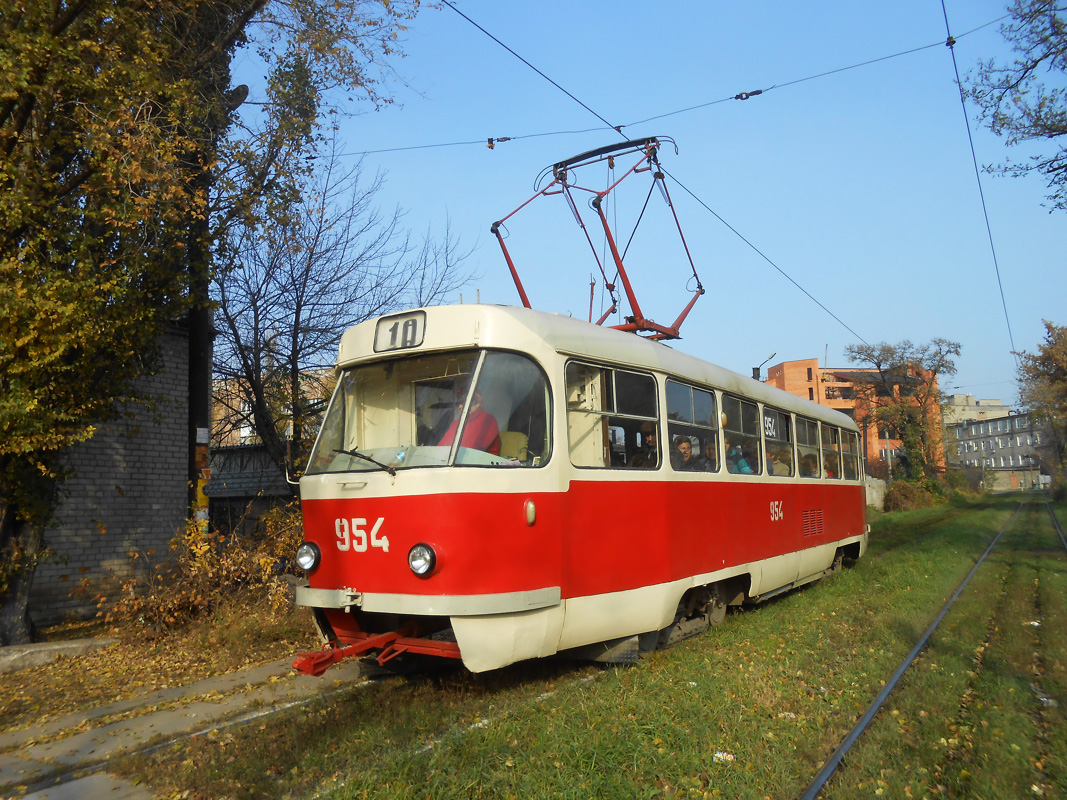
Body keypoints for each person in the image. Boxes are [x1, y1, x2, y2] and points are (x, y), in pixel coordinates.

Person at [439, 389, 500, 454]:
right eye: (458, 403)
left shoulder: (487, 420)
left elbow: (475, 451)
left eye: (464, 402)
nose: (460, 406)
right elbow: (441, 447)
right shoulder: (456, 423)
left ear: (477, 403)